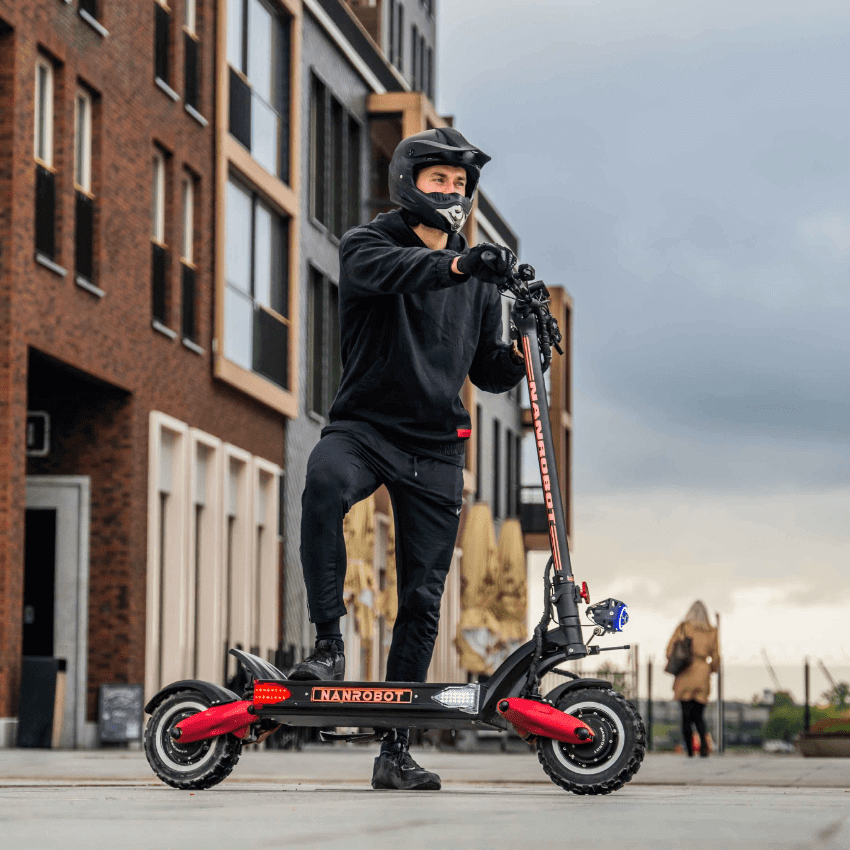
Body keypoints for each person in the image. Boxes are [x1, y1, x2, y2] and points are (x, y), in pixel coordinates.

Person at [288, 127, 526, 790]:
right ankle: (328, 647)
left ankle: (394, 752)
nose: (451, 192)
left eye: (459, 183)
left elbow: (486, 372)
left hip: (435, 447)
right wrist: (463, 266)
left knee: (422, 598)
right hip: (364, 427)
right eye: (438, 180)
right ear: (408, 183)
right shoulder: (367, 244)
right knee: (324, 483)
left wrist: (520, 353)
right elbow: (398, 272)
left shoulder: (476, 279)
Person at [666, 600, 720, 757]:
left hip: (685, 673)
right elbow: (716, 656)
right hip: (702, 673)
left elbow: (669, 650)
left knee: (686, 715)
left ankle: (690, 750)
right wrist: (711, 668)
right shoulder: (712, 631)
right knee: (699, 715)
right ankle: (704, 746)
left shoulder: (683, 627)